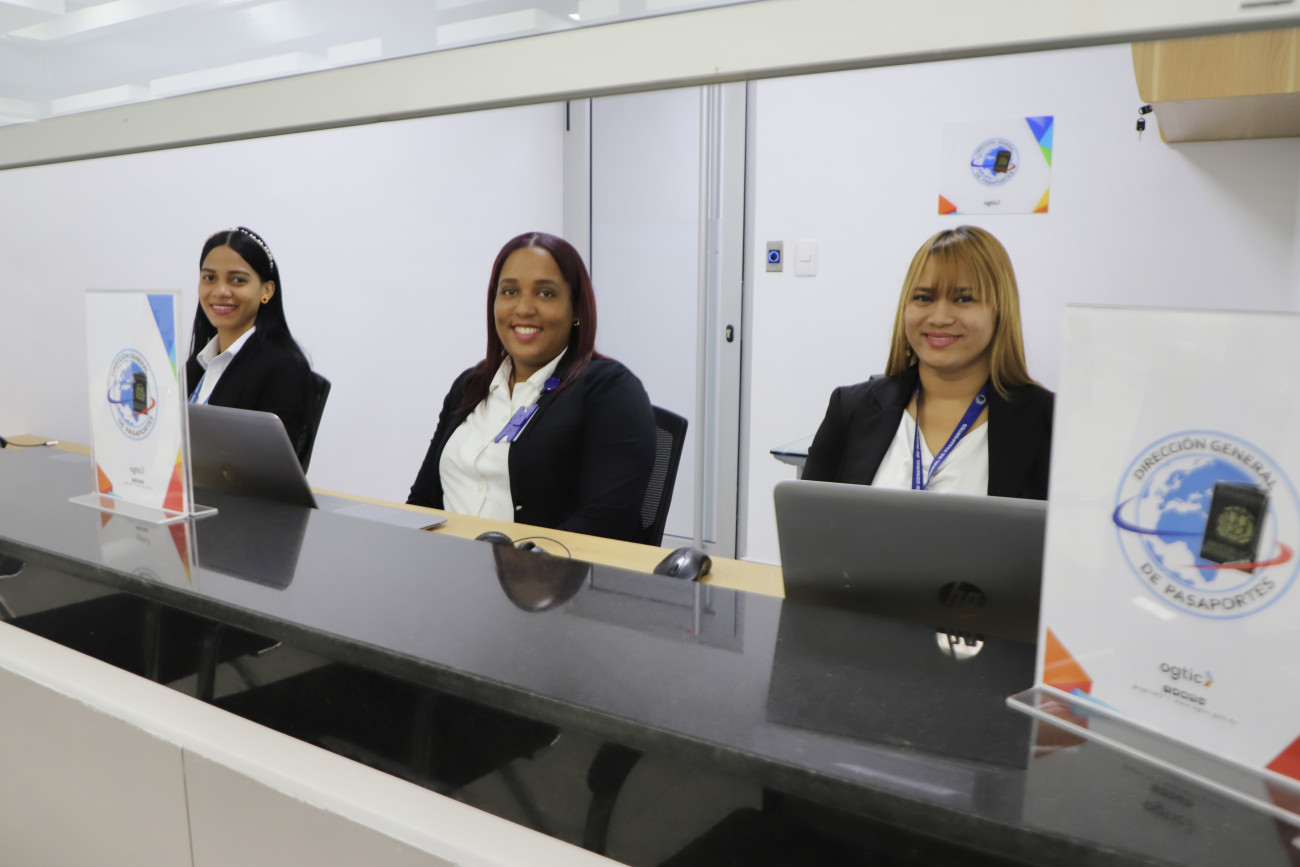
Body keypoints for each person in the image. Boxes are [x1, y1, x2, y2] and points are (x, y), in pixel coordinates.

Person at [408, 232, 657, 541]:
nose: (524, 308)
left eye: (546, 293)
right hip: (449, 563)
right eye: (510, 291)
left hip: (543, 570)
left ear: (576, 309)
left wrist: (520, 563)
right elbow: (422, 502)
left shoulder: (610, 390)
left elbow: (605, 523)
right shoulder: (470, 385)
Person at [802, 225, 1053, 499]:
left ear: (1000, 310)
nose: (939, 317)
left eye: (964, 298)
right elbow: (808, 519)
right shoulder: (850, 409)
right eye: (924, 298)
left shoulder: (1049, 422)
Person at [184, 227, 314, 462]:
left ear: (267, 290)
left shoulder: (284, 367)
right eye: (209, 278)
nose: (220, 291)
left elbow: (271, 468)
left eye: (238, 280)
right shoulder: (198, 363)